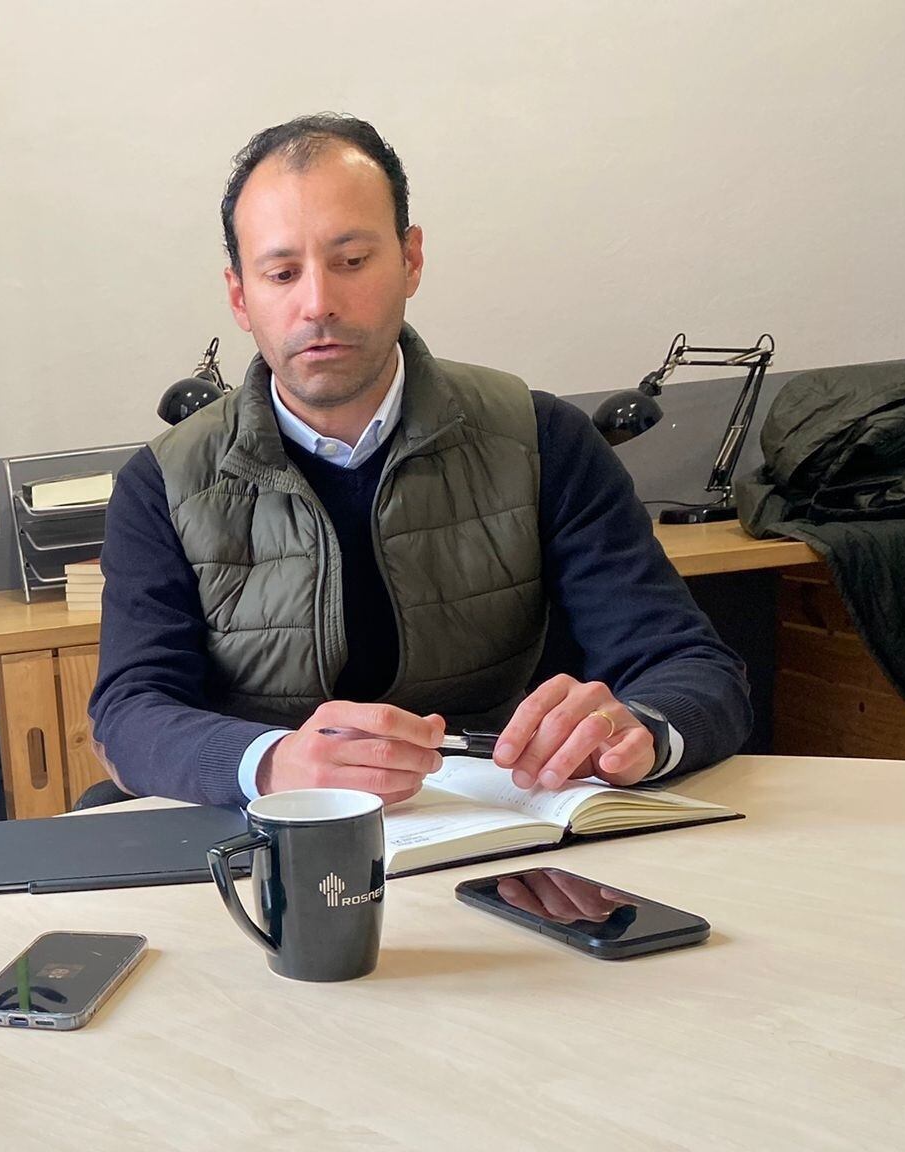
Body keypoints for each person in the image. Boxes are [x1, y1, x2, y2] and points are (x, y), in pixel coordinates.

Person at [89, 114, 752, 809]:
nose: (318, 304)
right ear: (239, 296)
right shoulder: (163, 483)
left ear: (410, 260)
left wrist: (641, 729)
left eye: (352, 261)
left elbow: (690, 667)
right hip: (267, 833)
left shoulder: (542, 440)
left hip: (498, 824)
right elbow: (130, 712)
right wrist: (272, 763)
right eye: (282, 273)